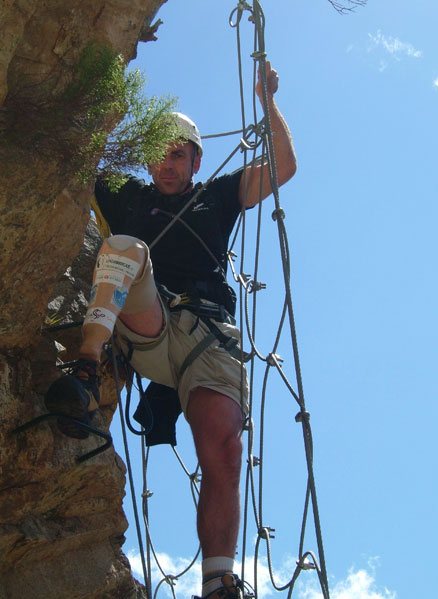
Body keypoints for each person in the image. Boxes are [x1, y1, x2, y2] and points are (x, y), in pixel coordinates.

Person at [45, 61, 296, 599]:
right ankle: (87, 370)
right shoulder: (129, 196)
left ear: (195, 160)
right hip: (148, 327)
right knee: (125, 248)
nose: (167, 162)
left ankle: (219, 580)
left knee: (224, 449)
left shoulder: (218, 196)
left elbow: (283, 166)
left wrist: (267, 100)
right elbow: (75, 160)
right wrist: (103, 114)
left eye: (178, 153)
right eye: (160, 151)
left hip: (208, 336)